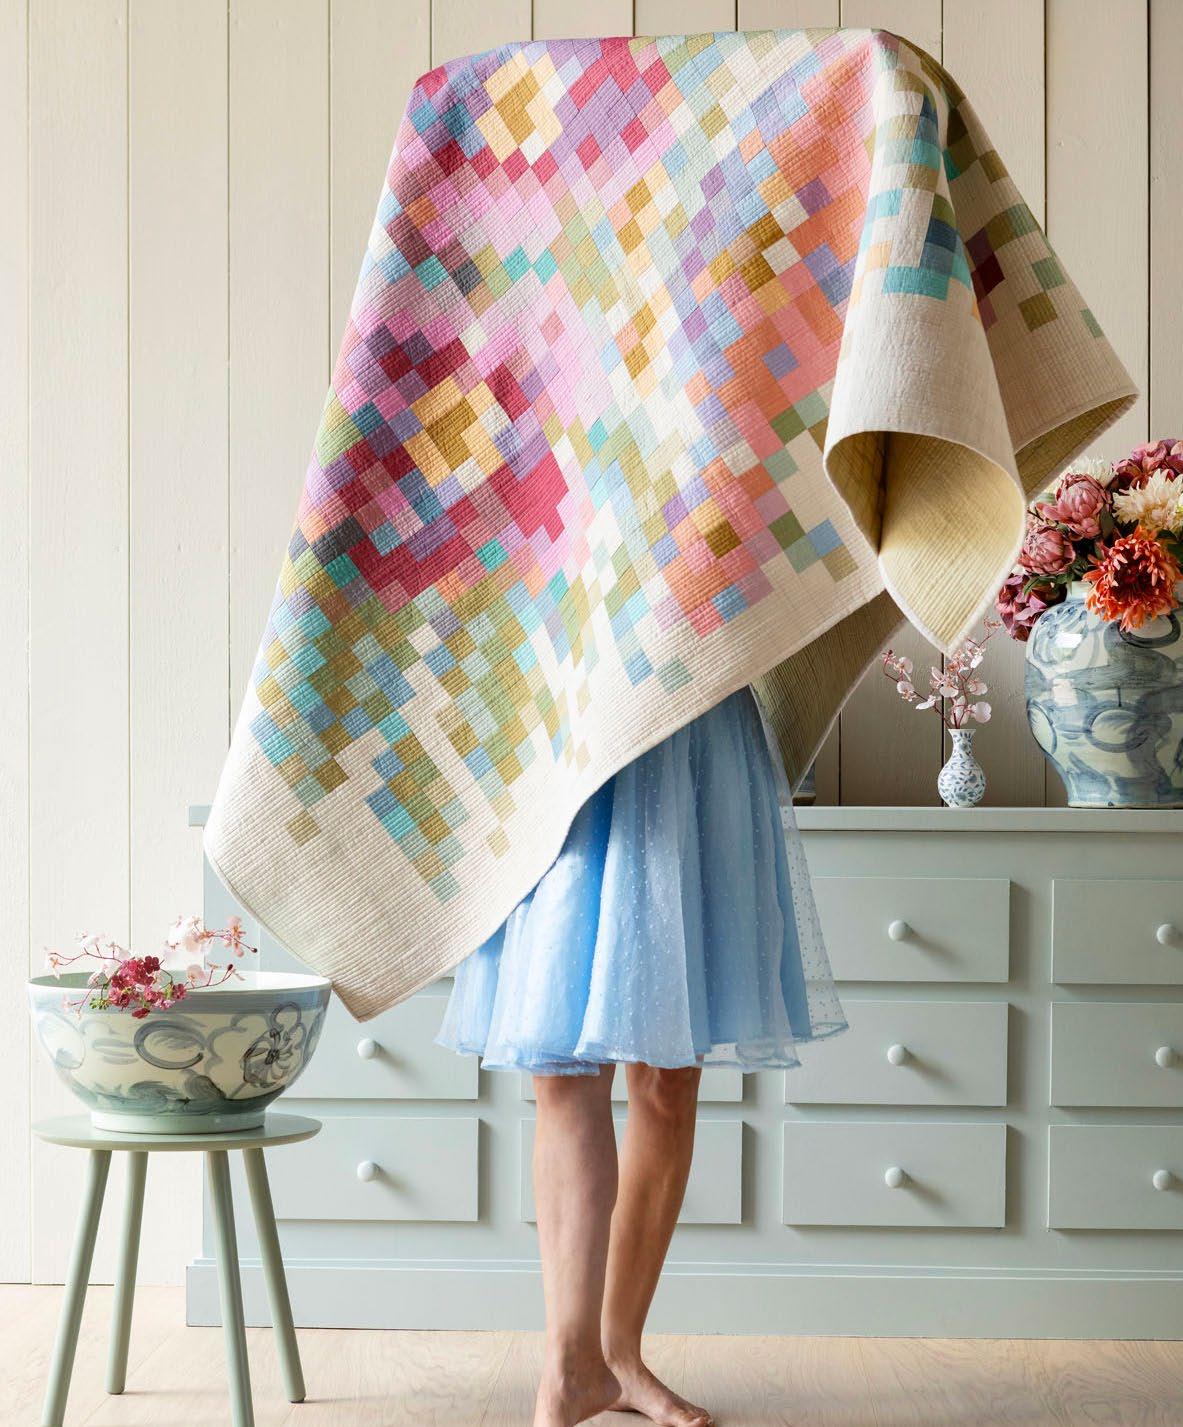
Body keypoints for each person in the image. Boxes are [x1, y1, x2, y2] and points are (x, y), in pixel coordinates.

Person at [437, 685, 845, 1427]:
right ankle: (569, 1367)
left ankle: (617, 1358)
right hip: (574, 729)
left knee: (669, 1078)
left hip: (699, 725)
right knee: (562, 1066)